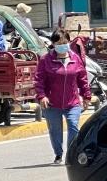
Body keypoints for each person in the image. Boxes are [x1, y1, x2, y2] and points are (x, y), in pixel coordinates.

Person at [35, 29, 91, 165]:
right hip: (52, 103)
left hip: (72, 102)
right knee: (55, 130)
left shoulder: (75, 58)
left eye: (65, 42)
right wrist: (42, 96)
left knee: (73, 126)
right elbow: (39, 80)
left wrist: (86, 96)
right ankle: (58, 155)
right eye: (59, 43)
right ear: (53, 44)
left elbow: (83, 79)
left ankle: (70, 155)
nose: (62, 45)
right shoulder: (46, 60)